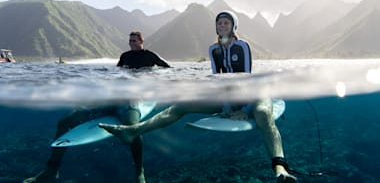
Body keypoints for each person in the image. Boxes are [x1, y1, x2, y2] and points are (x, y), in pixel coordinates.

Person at [99, 11, 297, 182]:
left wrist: (243, 110)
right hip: (228, 98)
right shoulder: (213, 49)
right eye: (219, 23)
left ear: (234, 26)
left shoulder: (242, 46)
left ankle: (280, 168)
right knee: (180, 106)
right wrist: (227, 108)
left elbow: (246, 80)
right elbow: (218, 81)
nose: (222, 26)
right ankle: (133, 130)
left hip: (254, 93)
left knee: (262, 113)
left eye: (226, 22)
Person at [23, 31, 170, 183]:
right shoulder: (125, 56)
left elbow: (168, 70)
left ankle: (140, 172)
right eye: (130, 41)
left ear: (141, 41)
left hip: (130, 100)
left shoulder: (151, 55)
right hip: (111, 99)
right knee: (64, 122)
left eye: (134, 41)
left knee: (134, 130)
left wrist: (151, 81)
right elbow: (116, 75)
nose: (131, 43)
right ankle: (51, 170)